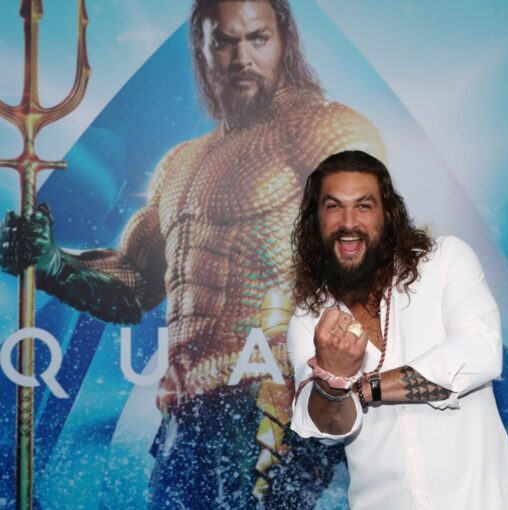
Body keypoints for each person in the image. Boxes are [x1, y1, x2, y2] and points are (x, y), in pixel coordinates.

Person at [0, 0, 384, 508]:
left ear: (285, 44)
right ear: (202, 55)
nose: (242, 57)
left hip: (276, 405)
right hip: (187, 414)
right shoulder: (181, 165)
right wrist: (52, 263)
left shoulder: (322, 131)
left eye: (258, 38)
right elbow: (136, 283)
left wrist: (327, 397)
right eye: (224, 42)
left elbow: (372, 261)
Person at [287, 150, 508, 509]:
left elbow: (481, 353)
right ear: (315, 220)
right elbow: (326, 427)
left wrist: (363, 388)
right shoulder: (309, 319)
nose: (349, 222)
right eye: (334, 206)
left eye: (364, 206)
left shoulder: (445, 261)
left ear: (388, 214)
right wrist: (332, 382)